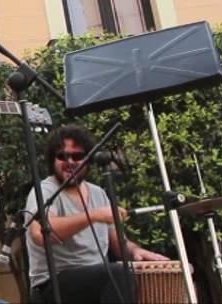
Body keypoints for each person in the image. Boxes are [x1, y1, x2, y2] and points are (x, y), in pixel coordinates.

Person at [24, 124, 169, 304]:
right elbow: (40, 234)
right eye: (62, 156)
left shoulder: (98, 193)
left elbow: (118, 242)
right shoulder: (44, 191)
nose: (70, 162)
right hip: (52, 285)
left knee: (128, 272)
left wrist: (137, 252)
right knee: (118, 274)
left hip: (95, 280)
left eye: (77, 156)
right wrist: (93, 216)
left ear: (88, 160)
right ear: (52, 160)